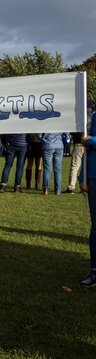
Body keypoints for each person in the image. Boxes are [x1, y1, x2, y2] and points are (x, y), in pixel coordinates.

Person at [80, 113, 96, 287]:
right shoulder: (94, 116)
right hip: (92, 176)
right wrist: (82, 177)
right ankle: (94, 271)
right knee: (95, 227)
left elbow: (90, 141)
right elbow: (86, 149)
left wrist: (93, 140)